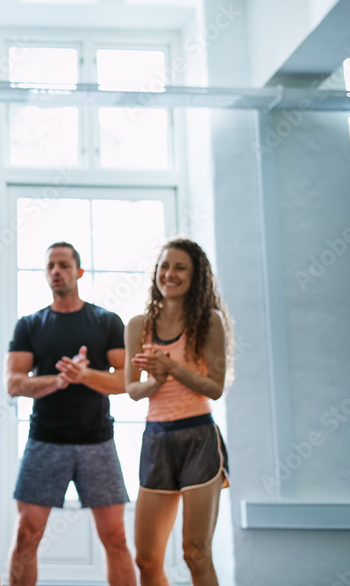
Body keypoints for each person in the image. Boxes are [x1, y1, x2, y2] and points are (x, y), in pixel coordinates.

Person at [6, 242, 136, 586]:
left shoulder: (107, 321)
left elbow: (127, 380)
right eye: (50, 265)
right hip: (45, 441)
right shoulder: (30, 325)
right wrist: (60, 380)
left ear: (78, 271)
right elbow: (14, 383)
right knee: (26, 536)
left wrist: (85, 376)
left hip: (97, 442)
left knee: (116, 539)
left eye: (64, 264)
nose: (56, 271)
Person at [124, 238, 232, 586]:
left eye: (180, 267)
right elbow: (132, 390)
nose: (169, 274)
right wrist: (155, 381)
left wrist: (171, 368)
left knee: (195, 552)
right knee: (146, 558)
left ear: (196, 276)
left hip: (198, 437)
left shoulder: (209, 321)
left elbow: (214, 388)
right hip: (157, 440)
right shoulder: (138, 325)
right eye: (164, 266)